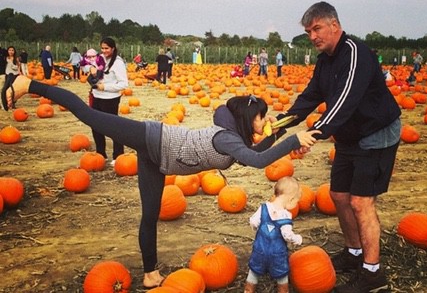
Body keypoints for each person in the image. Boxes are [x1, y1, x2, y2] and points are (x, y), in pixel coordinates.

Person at [3, 75, 320, 288]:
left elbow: (256, 151)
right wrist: (294, 141)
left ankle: (151, 274)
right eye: (261, 117)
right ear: (246, 119)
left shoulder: (234, 140)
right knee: (87, 115)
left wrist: (285, 132)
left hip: (157, 158)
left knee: (150, 213)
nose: (264, 122)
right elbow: (258, 160)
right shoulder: (227, 140)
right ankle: (28, 83)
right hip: (150, 136)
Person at [276, 2, 401, 292]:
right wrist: (282, 123)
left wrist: (311, 135)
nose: (312, 36)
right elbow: (311, 95)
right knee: (339, 195)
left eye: (317, 28)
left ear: (334, 25)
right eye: (308, 32)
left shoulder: (355, 54)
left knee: (361, 201)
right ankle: (353, 252)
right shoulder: (325, 60)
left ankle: (372, 274)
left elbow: (344, 102)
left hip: (375, 133)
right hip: (348, 134)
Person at [244, 176, 302, 293]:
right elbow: (287, 235)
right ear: (290, 199)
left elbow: (253, 222)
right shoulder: (285, 216)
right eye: (296, 201)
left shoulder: (263, 207)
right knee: (282, 276)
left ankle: (248, 290)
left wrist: (259, 230)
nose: (296, 204)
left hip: (260, 249)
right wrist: (297, 239)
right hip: (277, 254)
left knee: (254, 272)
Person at [88, 38, 127, 165]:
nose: (104, 51)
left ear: (113, 48)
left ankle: (118, 155)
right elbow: (88, 67)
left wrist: (105, 87)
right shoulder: (99, 58)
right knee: (96, 126)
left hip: (110, 99)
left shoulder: (118, 63)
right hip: (96, 96)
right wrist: (91, 72)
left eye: (107, 48)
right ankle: (101, 154)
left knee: (113, 127)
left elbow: (123, 84)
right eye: (102, 48)